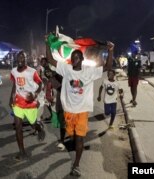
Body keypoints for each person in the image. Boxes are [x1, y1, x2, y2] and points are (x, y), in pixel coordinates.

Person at [46, 38, 114, 177]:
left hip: (82, 111)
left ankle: (76, 165)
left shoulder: (89, 71)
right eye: (73, 57)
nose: (74, 59)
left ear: (82, 59)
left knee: (80, 138)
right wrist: (47, 43)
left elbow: (107, 67)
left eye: (77, 57)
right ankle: (74, 143)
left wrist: (110, 51)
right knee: (72, 134)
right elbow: (50, 60)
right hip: (69, 111)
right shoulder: (66, 69)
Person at [9, 51, 46, 161]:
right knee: (18, 128)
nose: (21, 59)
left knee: (33, 124)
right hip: (18, 103)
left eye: (23, 57)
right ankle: (22, 152)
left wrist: (35, 94)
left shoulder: (32, 71)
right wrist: (11, 97)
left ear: (26, 59)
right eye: (19, 57)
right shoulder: (13, 71)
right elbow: (15, 84)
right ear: (16, 59)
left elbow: (40, 84)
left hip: (30, 103)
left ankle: (39, 129)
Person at [44, 68, 65, 150]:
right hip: (57, 104)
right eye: (47, 72)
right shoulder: (51, 81)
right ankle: (62, 140)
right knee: (61, 122)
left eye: (51, 71)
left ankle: (63, 140)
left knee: (64, 122)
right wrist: (50, 98)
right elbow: (48, 93)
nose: (49, 73)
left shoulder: (65, 78)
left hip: (67, 104)